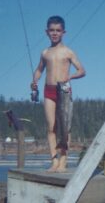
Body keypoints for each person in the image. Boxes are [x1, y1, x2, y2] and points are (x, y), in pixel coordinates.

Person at [31, 15, 86, 172]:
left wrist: (71, 76)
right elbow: (39, 70)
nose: (55, 33)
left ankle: (63, 160)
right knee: (51, 127)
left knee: (65, 127)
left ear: (63, 32)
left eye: (58, 30)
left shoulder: (68, 52)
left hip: (63, 91)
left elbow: (82, 70)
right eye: (52, 30)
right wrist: (34, 81)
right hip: (48, 90)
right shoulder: (45, 53)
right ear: (46, 32)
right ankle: (54, 160)